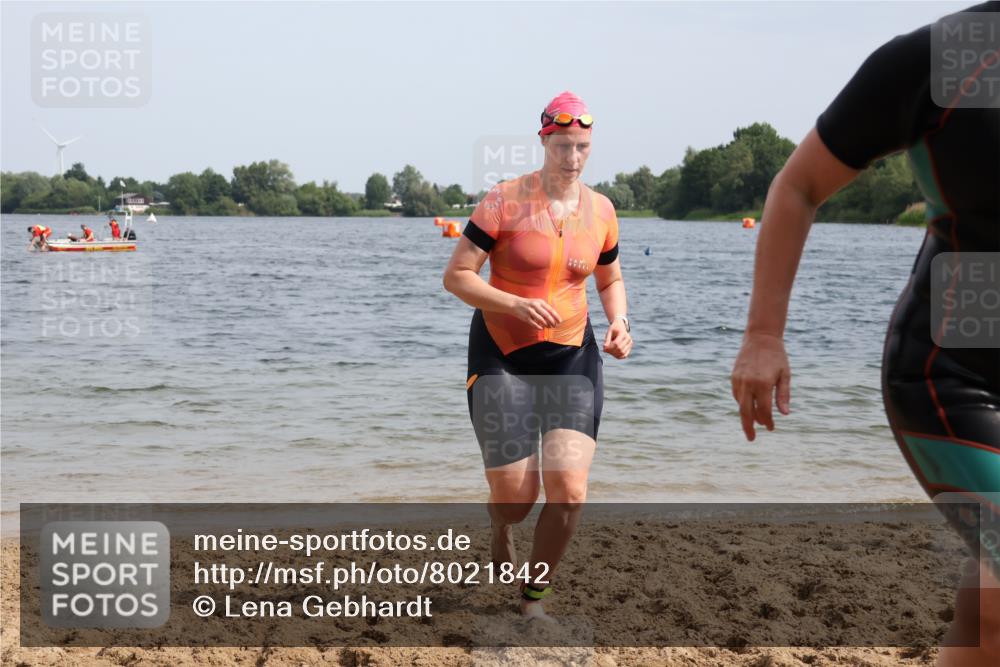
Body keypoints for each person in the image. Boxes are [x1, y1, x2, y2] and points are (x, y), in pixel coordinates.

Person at [730, 4, 999, 664]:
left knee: (991, 609)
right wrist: (764, 333)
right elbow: (798, 185)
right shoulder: (952, 56)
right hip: (953, 374)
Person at [443, 91, 632, 619]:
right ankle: (500, 525)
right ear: (544, 141)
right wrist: (514, 304)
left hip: (572, 356)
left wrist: (619, 320)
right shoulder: (504, 200)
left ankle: (534, 599)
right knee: (516, 499)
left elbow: (610, 277)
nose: (573, 158)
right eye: (564, 146)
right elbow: (456, 276)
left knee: (569, 490)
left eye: (583, 148)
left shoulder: (602, 211)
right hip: (503, 354)